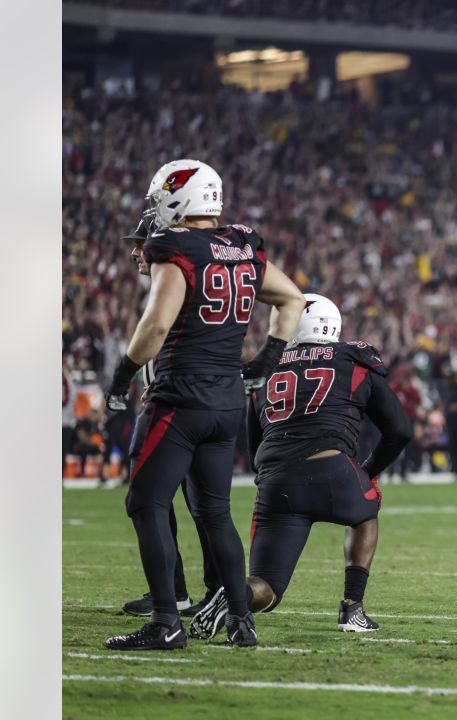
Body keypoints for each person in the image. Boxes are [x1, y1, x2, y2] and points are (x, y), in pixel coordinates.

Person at [102, 159, 305, 651]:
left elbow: (154, 327)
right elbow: (294, 299)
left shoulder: (178, 249)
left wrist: (123, 377)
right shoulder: (241, 246)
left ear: (180, 198)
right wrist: (264, 363)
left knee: (145, 503)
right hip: (227, 401)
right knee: (216, 513)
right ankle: (240, 620)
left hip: (180, 397)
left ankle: (167, 620)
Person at [189, 295, 412, 636]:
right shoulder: (352, 360)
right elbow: (400, 430)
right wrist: (366, 472)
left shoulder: (265, 370)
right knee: (367, 510)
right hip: (331, 469)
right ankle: (352, 608)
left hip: (276, 483)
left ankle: (237, 593)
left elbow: (253, 450)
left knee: (267, 589)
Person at [114, 210, 217, 618]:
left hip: (183, 402)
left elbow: (167, 336)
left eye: (140, 243)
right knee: (169, 500)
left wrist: (142, 382)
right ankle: (186, 591)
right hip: (174, 396)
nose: (136, 252)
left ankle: (202, 592)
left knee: (186, 502)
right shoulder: (169, 279)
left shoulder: (175, 278)